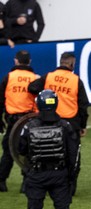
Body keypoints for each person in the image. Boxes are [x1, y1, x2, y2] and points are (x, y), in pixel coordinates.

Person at [15, 90, 80, 209]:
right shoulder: (65, 126)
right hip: (59, 174)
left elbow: (20, 149)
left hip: (36, 174)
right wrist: (71, 176)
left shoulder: (29, 126)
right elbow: (74, 155)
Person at [28, 51, 89, 196]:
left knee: (48, 154)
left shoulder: (49, 76)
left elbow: (32, 88)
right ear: (72, 64)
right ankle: (70, 187)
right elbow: (83, 105)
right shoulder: (75, 80)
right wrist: (83, 125)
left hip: (49, 122)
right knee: (72, 156)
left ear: (61, 62)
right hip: (70, 123)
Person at [0, 49, 37, 192]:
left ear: (16, 61)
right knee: (28, 151)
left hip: (13, 121)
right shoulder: (35, 78)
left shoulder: (8, 77)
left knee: (8, 150)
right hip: (29, 120)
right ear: (29, 62)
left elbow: (0, 100)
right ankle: (26, 182)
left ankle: (1, 180)